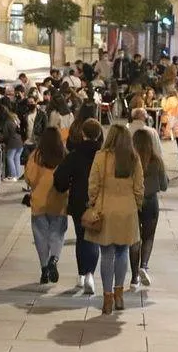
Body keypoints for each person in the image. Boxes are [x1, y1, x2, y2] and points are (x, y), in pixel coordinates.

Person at [85, 124, 144, 314]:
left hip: (105, 210)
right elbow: (139, 187)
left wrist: (93, 202)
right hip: (127, 211)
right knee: (122, 252)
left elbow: (93, 184)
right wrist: (136, 205)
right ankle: (119, 294)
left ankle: (107, 298)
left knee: (107, 254)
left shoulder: (100, 158)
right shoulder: (133, 158)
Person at [54, 119, 103, 294]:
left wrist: (64, 188)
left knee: (81, 237)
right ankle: (90, 273)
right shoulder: (104, 155)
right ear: (98, 134)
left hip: (78, 201)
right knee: (94, 237)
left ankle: (82, 274)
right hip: (99, 201)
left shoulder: (74, 155)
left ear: (83, 133)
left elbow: (60, 178)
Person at [24, 128, 69, 284]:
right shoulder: (64, 155)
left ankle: (44, 268)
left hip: (39, 201)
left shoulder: (36, 155)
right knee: (57, 234)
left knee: (40, 237)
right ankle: (54, 259)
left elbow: (29, 178)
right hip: (59, 201)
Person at [128, 128, 168, 290]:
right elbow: (164, 186)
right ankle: (144, 266)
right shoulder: (156, 160)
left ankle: (134, 277)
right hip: (151, 202)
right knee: (148, 237)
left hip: (133, 202)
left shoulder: (129, 160)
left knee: (134, 239)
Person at [1, 107, 24, 181]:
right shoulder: (16, 121)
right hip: (20, 142)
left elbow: (6, 134)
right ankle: (17, 175)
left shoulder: (7, 122)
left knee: (10, 158)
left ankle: (13, 175)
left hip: (12, 142)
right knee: (17, 158)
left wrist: (3, 139)